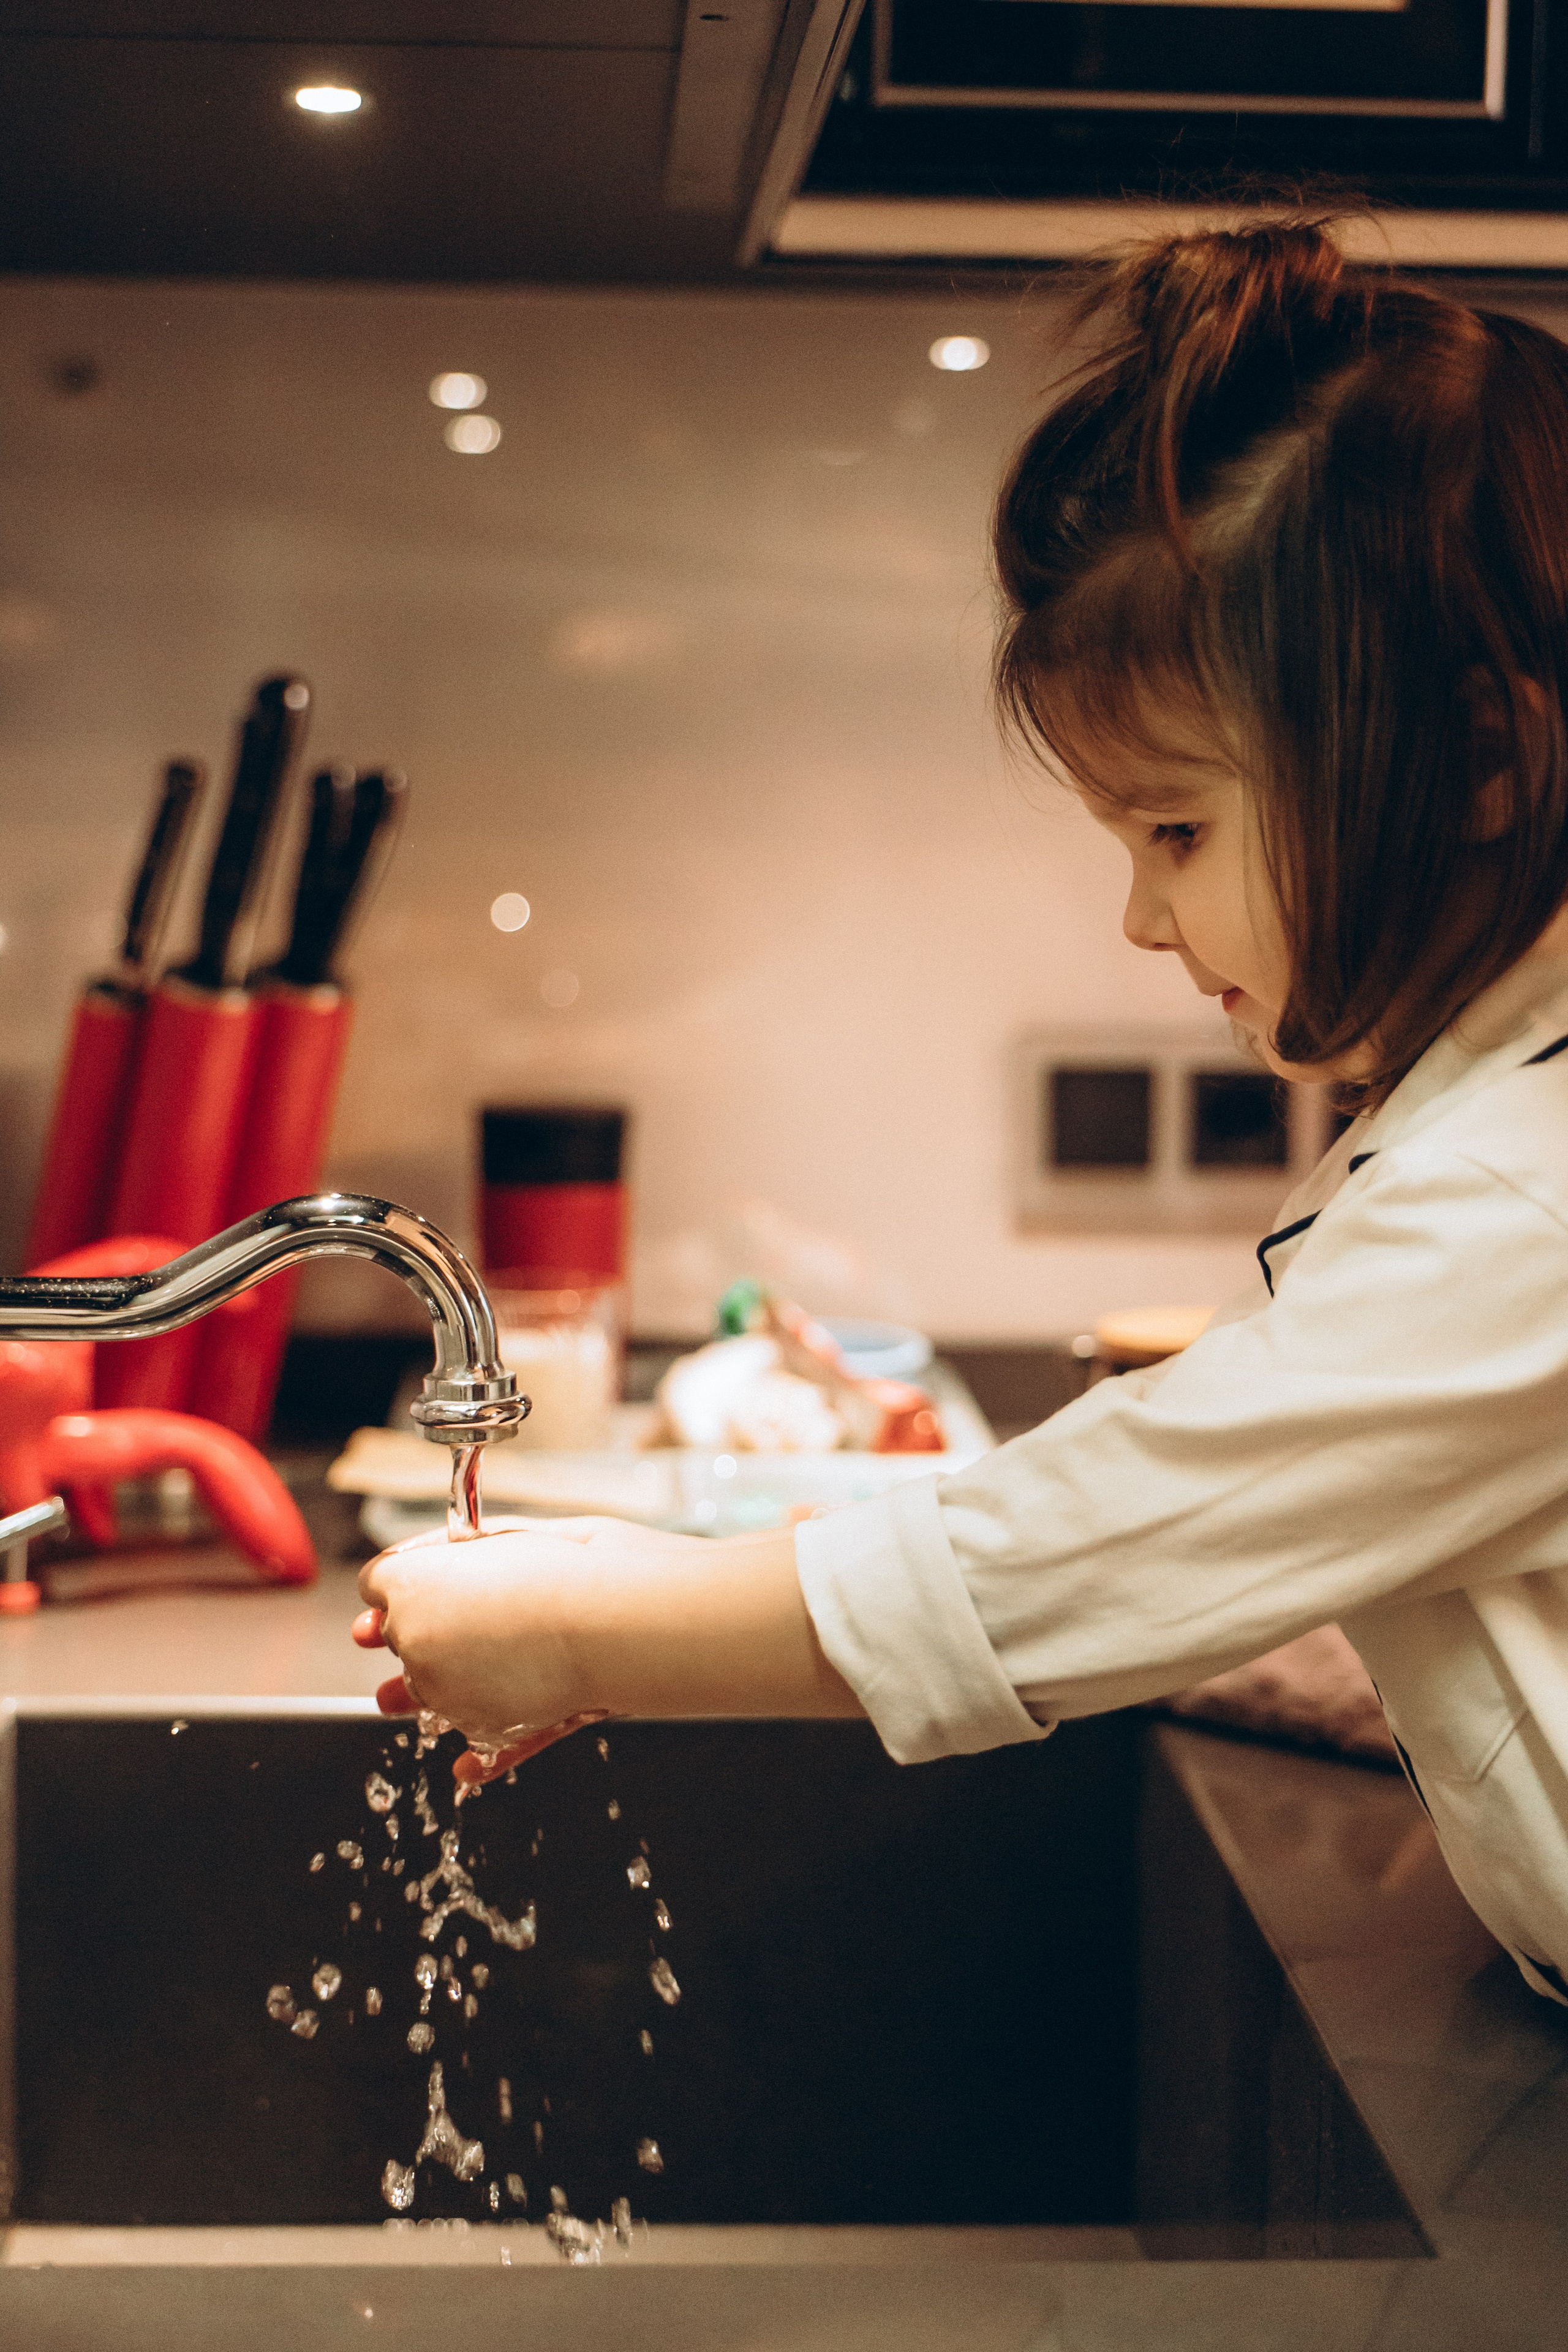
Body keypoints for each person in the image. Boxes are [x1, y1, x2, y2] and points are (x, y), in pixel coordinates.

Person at [356, 213, 1568, 2005]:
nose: (1146, 919)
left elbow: (1099, 1541)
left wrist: (576, 1621)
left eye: (1176, 831)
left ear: (1477, 758)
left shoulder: (1526, 1200)